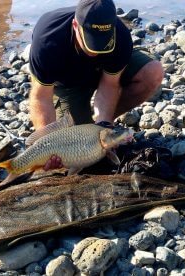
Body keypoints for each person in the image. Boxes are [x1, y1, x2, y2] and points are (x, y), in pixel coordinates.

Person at [28, 0, 164, 170]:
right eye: (92, 42)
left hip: (102, 73)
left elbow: (109, 85)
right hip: (68, 85)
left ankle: (103, 128)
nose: (96, 51)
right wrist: (47, 146)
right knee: (73, 149)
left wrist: (104, 127)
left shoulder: (120, 35)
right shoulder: (48, 38)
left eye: (103, 43)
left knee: (153, 72)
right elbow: (41, 97)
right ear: (76, 25)